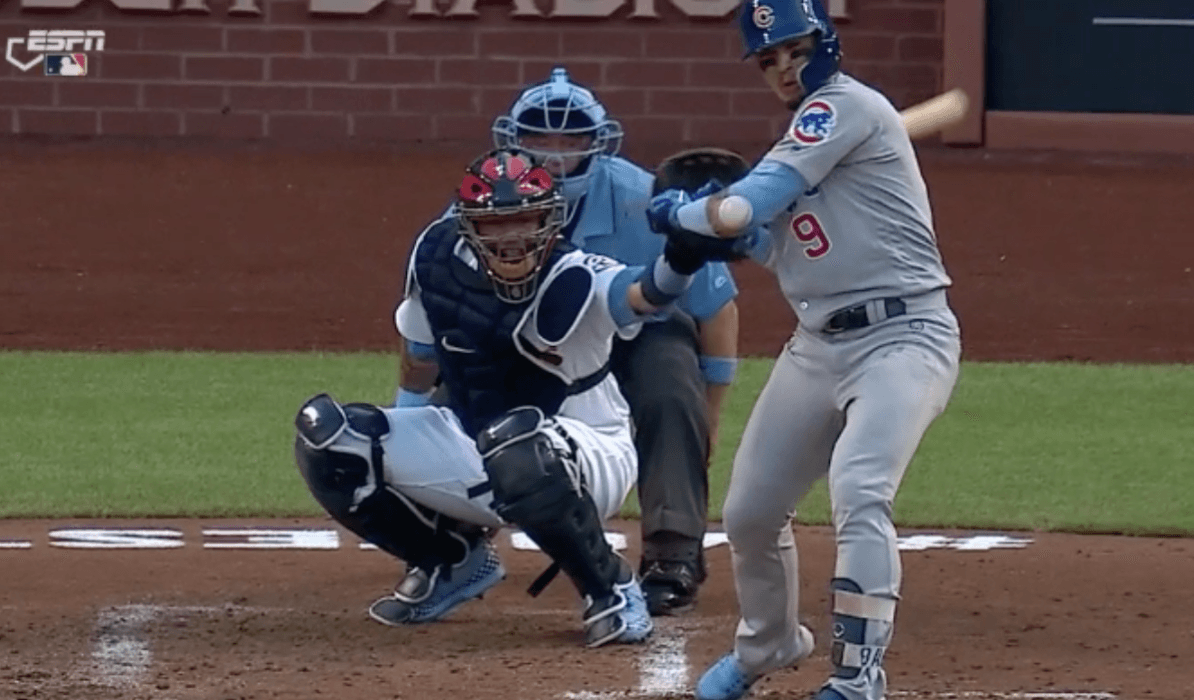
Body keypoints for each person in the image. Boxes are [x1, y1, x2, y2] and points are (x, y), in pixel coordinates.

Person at [647, 1, 962, 698]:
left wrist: (688, 214)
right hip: (818, 346)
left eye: (795, 49)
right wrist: (737, 237)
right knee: (751, 513)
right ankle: (771, 643)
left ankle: (858, 677)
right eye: (768, 60)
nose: (784, 68)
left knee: (860, 489)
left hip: (904, 337)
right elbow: (777, 241)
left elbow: (738, 207)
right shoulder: (805, 143)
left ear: (825, 41)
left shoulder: (842, 109)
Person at [293, 148, 723, 648]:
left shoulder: (578, 275)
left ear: (549, 222)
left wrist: (683, 256)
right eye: (496, 225)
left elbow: (646, 293)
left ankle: (610, 589)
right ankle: (450, 561)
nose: (512, 238)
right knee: (330, 437)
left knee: (515, 445)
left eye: (524, 221)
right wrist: (399, 445)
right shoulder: (436, 259)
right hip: (475, 438)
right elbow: (420, 354)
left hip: (590, 449)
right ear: (469, 226)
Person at [489, 67, 742, 616]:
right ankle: (455, 535)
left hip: (639, 329)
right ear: (514, 139)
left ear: (597, 142)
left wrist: (711, 415)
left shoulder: (641, 199)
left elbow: (717, 307)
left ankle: (673, 552)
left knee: (671, 389)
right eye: (540, 137)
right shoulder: (487, 196)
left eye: (570, 139)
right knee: (467, 377)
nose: (554, 153)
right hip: (536, 338)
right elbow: (440, 298)